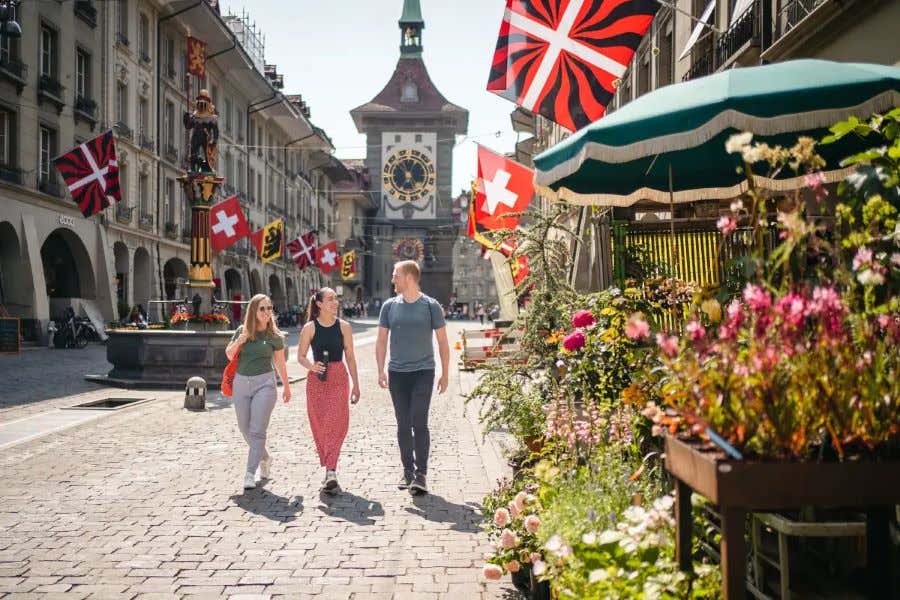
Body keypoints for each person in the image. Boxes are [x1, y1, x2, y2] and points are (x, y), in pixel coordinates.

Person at [376, 260, 449, 495]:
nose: (392, 279)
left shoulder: (431, 306)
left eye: (395, 275)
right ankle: (407, 471)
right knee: (403, 424)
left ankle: (421, 474)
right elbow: (381, 340)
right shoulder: (389, 306)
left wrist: (445, 373)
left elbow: (443, 342)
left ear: (408, 277)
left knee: (419, 421)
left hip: (423, 372)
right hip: (397, 374)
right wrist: (380, 369)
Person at [296, 288, 361, 492]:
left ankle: (331, 470)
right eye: (330, 299)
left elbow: (350, 357)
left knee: (337, 423)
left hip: (339, 378)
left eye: (336, 299)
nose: (335, 302)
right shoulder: (309, 328)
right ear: (319, 304)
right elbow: (300, 356)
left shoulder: (344, 327)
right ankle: (329, 468)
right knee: (321, 425)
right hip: (317, 380)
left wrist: (356, 384)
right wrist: (311, 366)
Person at [225, 294, 290, 491]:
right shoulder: (241, 331)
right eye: (262, 308)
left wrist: (286, 386)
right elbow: (229, 354)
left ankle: (249, 473)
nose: (267, 312)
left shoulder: (275, 336)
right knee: (244, 428)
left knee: (257, 430)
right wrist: (240, 340)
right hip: (241, 384)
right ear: (253, 310)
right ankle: (265, 457)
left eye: (269, 308)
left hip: (265, 384)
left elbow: (280, 363)